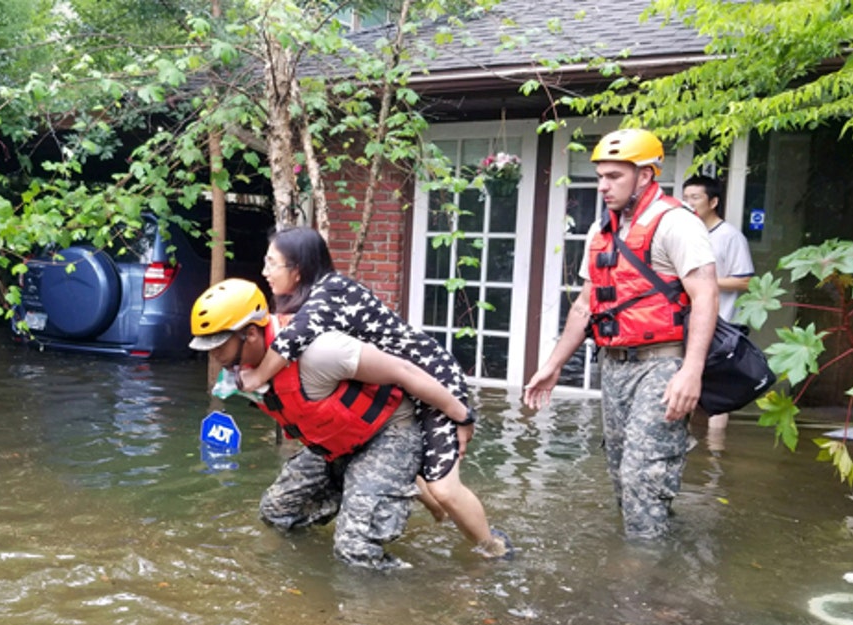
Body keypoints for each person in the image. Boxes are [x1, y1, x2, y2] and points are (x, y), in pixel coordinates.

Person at [188, 279, 510, 569]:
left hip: (390, 434)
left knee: (355, 548)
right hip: (337, 446)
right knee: (277, 512)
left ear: (252, 333)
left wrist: (463, 416)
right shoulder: (245, 373)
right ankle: (304, 574)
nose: (214, 356)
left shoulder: (320, 352)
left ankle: (416, 589)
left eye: (219, 346)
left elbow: (405, 372)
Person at [523, 128, 719, 540]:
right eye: (600, 176)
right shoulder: (601, 233)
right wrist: (553, 366)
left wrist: (691, 371)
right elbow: (584, 305)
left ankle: (645, 583)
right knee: (620, 474)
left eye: (614, 176)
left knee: (643, 474)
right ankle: (650, 557)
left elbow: (705, 297)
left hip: (663, 363)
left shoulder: (676, 223)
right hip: (613, 366)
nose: (603, 186)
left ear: (645, 175)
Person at [682, 174, 755, 431]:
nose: (689, 203)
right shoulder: (686, 234)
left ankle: (715, 454)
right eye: (686, 197)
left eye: (695, 197)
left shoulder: (730, 237)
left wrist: (703, 282)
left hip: (722, 323)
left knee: (716, 388)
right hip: (687, 322)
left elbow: (745, 281)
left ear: (713, 202)